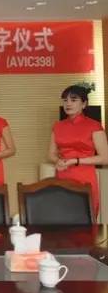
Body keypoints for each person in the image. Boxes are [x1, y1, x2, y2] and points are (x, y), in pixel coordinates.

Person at [48, 85, 108, 218]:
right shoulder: (58, 126)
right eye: (65, 100)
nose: (68, 103)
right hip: (62, 176)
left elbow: (105, 158)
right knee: (62, 217)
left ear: (84, 104)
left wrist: (75, 161)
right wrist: (59, 161)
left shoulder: (94, 126)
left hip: (84, 177)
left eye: (73, 100)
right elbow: (51, 154)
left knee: (85, 218)